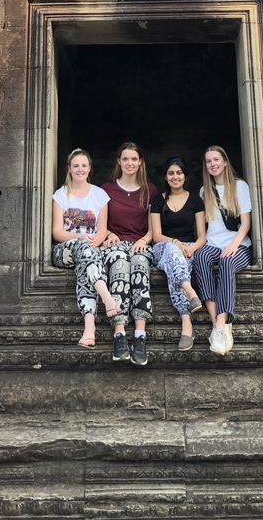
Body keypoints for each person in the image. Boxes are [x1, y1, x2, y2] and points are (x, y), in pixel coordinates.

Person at [51, 148, 121, 348]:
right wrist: (82, 238)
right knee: (84, 250)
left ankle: (89, 330)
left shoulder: (100, 195)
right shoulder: (61, 195)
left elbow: (102, 230)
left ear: (89, 168)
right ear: (69, 169)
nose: (80, 169)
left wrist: (92, 243)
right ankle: (107, 298)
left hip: (89, 251)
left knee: (85, 266)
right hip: (64, 250)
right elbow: (57, 232)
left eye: (83, 165)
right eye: (76, 166)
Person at [102, 141, 158, 365]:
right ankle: (119, 335)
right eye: (125, 159)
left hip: (141, 244)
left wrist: (145, 239)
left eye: (134, 159)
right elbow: (99, 223)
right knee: (119, 267)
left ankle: (140, 336)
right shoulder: (106, 189)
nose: (129, 163)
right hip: (115, 244)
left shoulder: (149, 189)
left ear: (140, 162)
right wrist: (107, 233)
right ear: (119, 161)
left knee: (139, 267)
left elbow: (155, 227)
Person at [193, 145, 252, 356]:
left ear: (225, 162)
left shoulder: (240, 187)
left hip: (238, 245)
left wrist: (233, 245)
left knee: (227, 263)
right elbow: (206, 228)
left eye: (216, 160)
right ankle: (218, 325)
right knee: (200, 258)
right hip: (212, 244)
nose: (213, 164)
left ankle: (222, 323)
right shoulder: (204, 191)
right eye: (209, 161)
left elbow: (245, 223)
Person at [151, 156, 206, 350]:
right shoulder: (158, 200)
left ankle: (186, 323)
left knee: (178, 265)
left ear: (185, 176)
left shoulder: (195, 200)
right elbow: (156, 235)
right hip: (163, 247)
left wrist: (190, 248)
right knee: (174, 254)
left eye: (179, 173)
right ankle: (190, 291)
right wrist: (175, 242)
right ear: (166, 177)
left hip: (188, 248)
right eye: (171, 173)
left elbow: (201, 236)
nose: (175, 177)